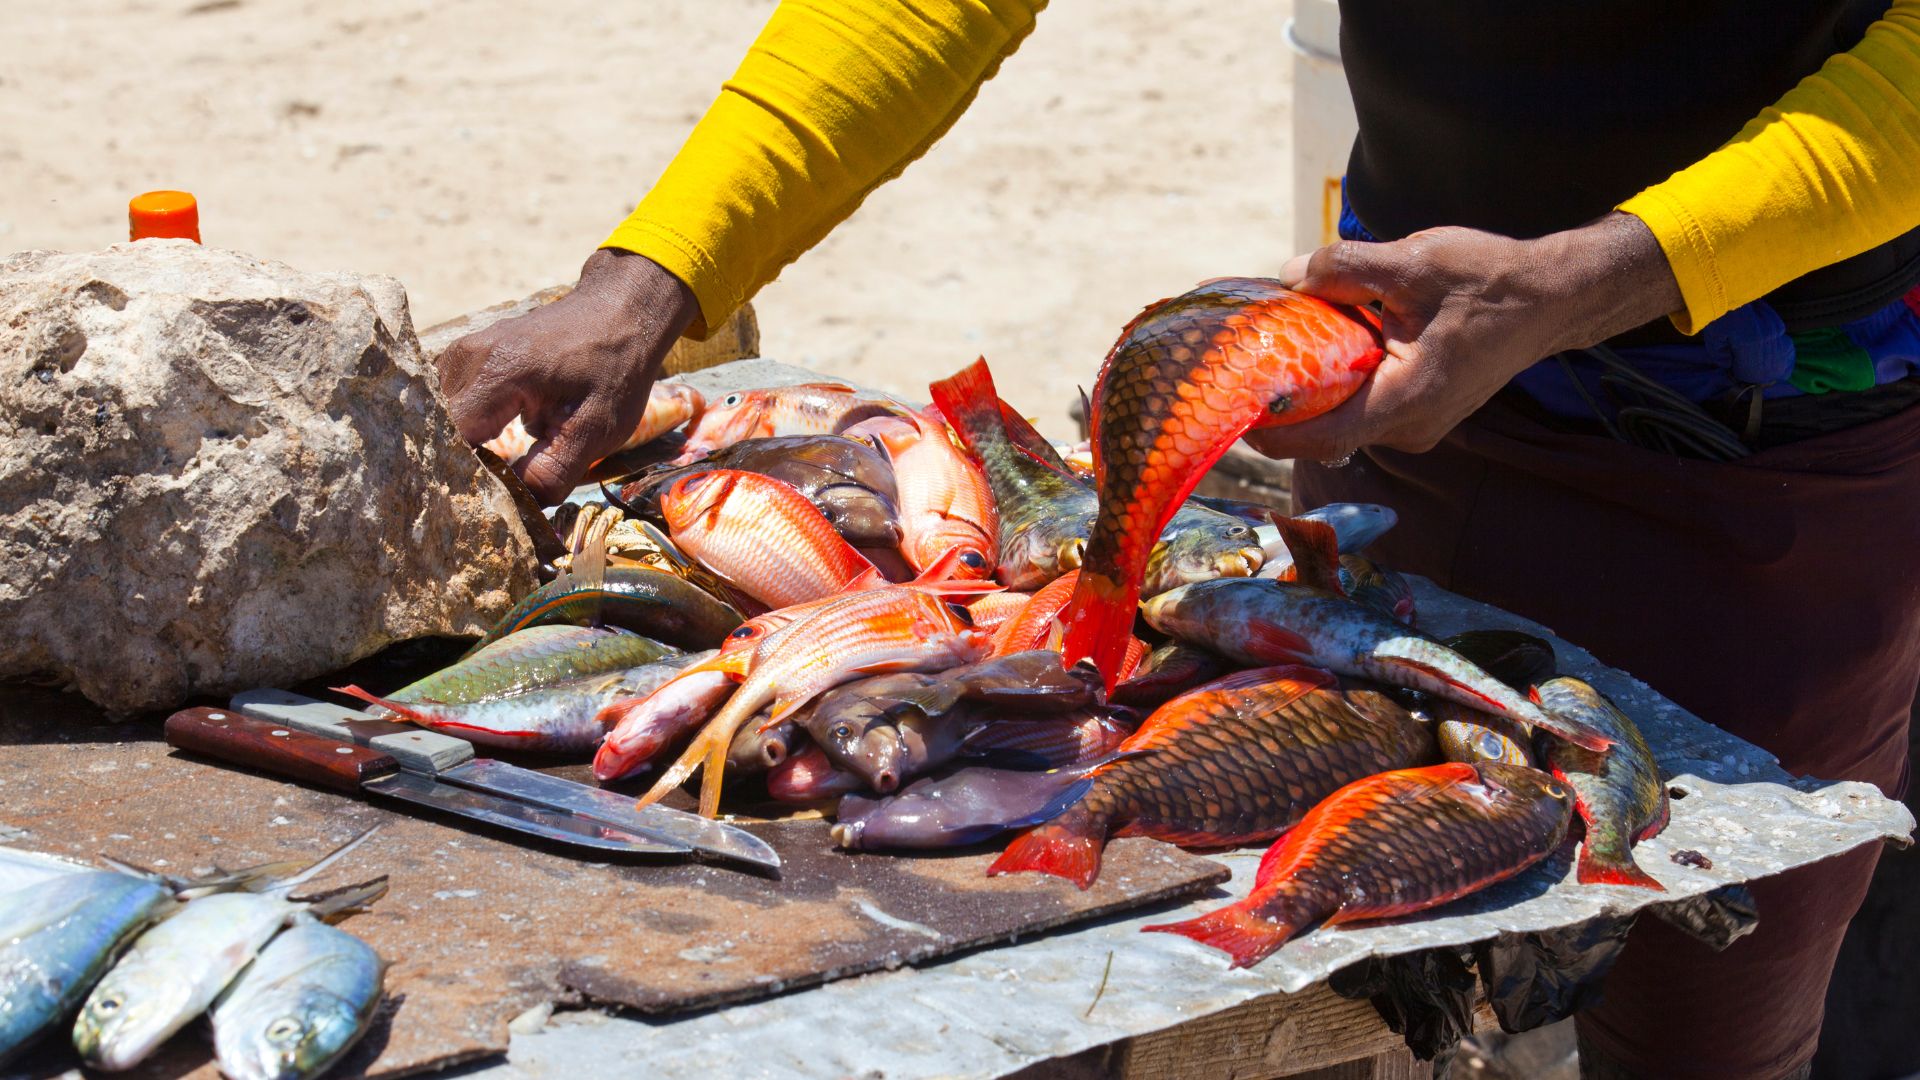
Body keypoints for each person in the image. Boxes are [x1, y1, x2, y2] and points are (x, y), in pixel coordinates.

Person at [437, 4, 1920, 1076]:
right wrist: (655, 275)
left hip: (1771, 457)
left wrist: (1593, 280)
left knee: (1711, 1011)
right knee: (1390, 950)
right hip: (1399, 379)